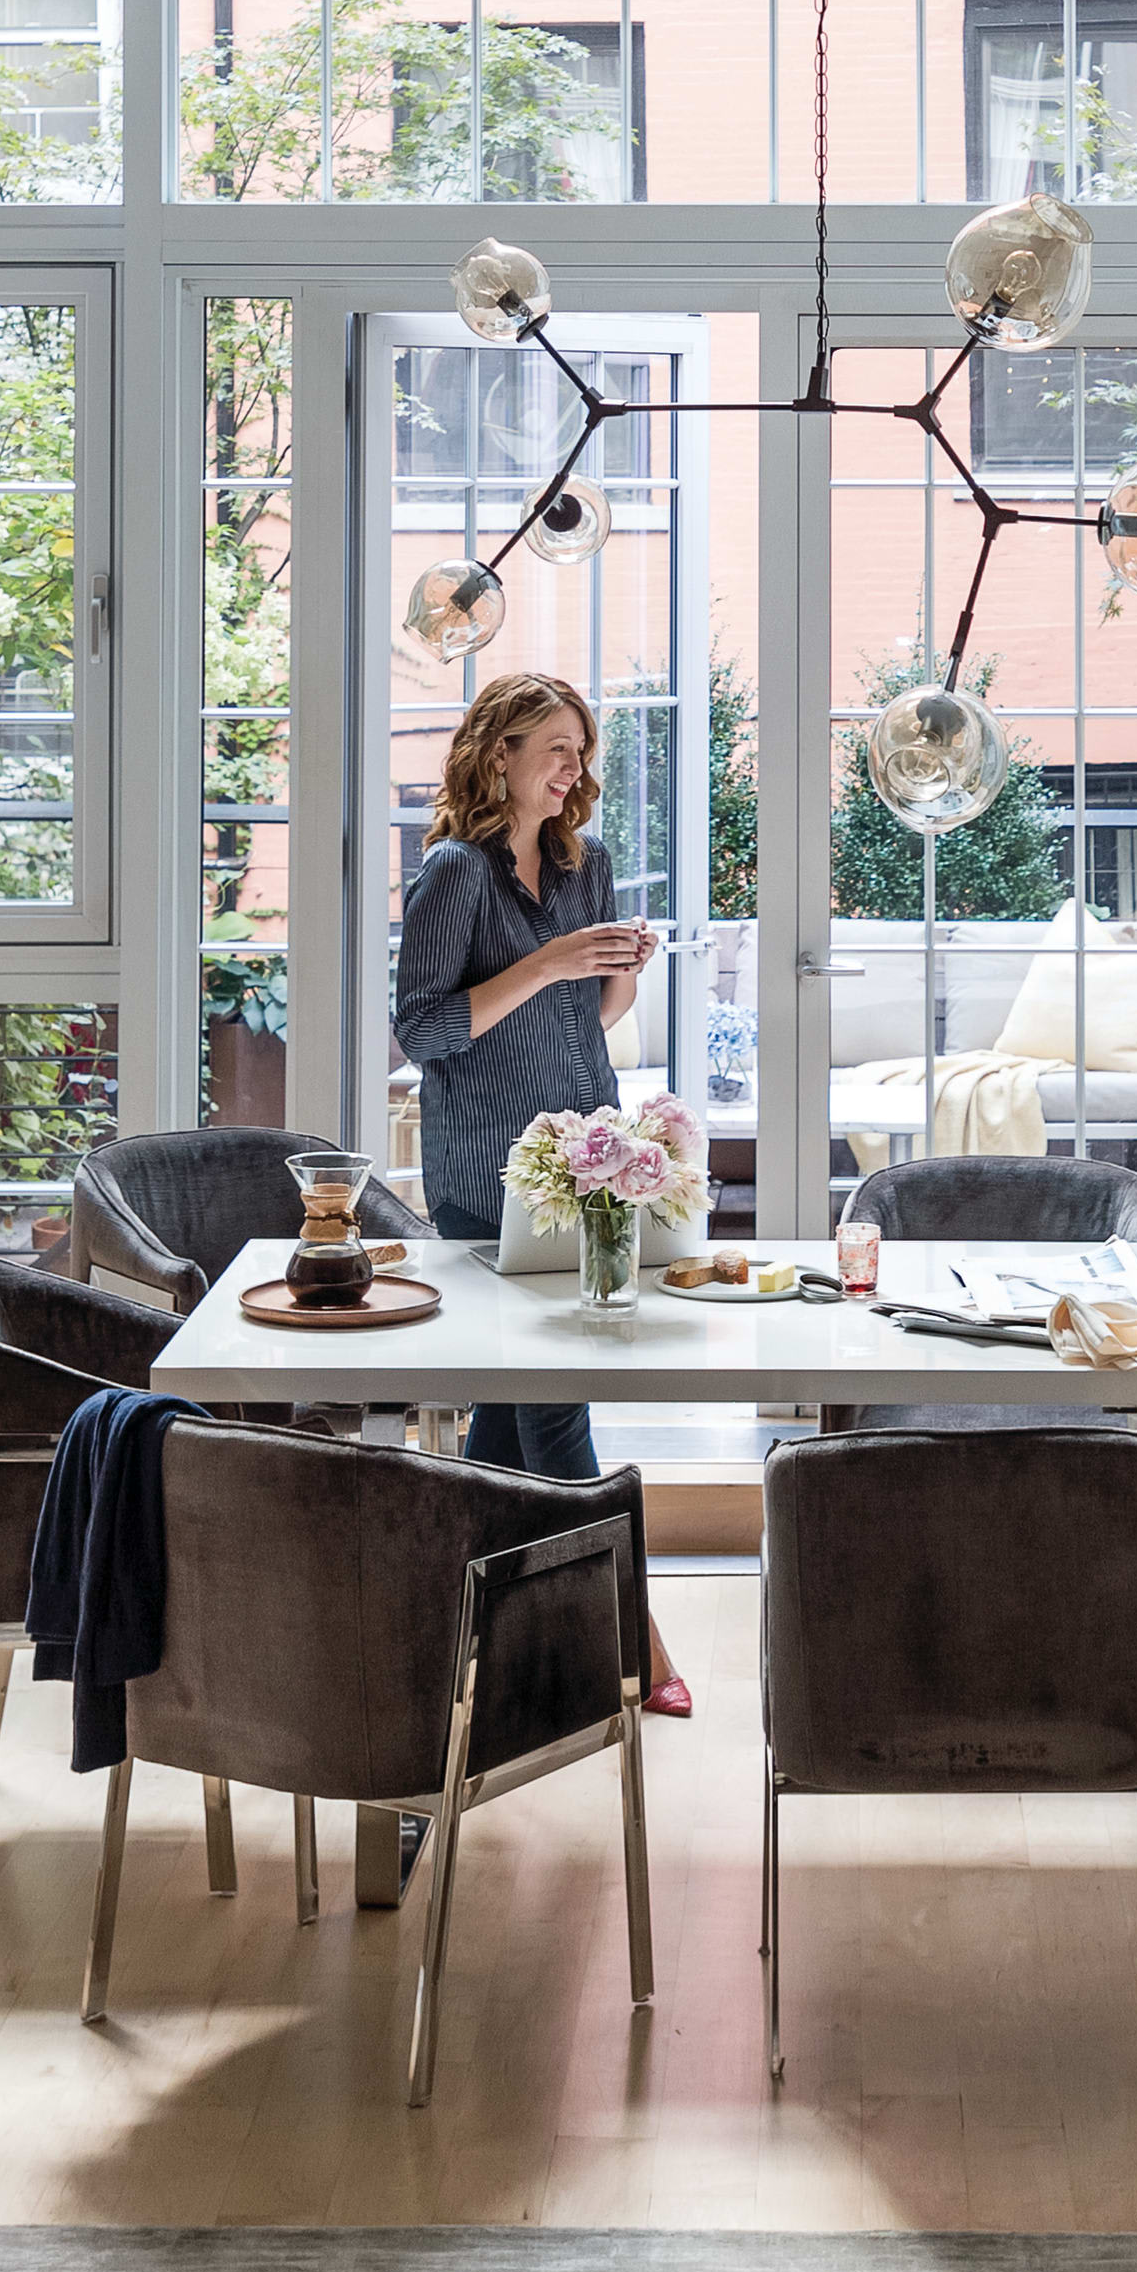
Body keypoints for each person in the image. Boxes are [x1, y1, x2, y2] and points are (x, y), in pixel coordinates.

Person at [391, 668, 689, 1714]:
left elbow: (587, 1023)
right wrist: (549, 959)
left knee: (509, 1423)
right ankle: (634, 1639)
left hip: (586, 1163)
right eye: (555, 748)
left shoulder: (585, 862)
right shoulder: (452, 874)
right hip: (487, 1174)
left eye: (581, 750)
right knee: (552, 1407)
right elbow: (424, 1031)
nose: (574, 769)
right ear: (500, 753)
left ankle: (458, 1625)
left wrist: (619, 968)